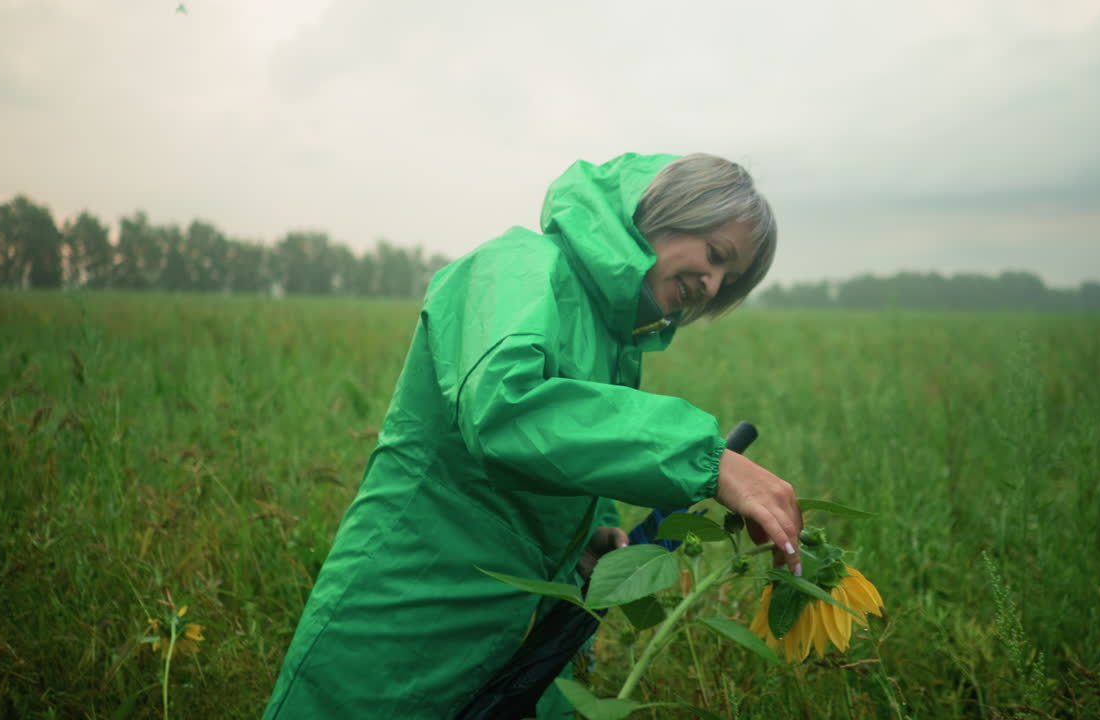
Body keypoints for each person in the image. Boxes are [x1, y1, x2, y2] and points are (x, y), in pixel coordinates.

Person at [262, 152, 804, 719]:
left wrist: (590, 532)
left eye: (729, 281)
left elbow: (571, 451)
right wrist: (708, 460)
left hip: (516, 630)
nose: (712, 285)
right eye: (715, 255)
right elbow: (503, 410)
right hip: (409, 611)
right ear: (667, 210)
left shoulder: (615, 339)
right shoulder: (516, 267)